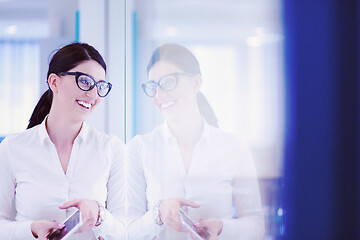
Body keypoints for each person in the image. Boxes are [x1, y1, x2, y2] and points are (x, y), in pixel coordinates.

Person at [127, 43, 265, 240]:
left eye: (168, 82)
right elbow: (128, 231)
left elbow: (256, 225)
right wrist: (158, 213)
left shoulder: (233, 147)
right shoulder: (139, 148)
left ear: (196, 83)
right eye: (153, 85)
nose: (159, 95)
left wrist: (221, 227)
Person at [0, 42, 126, 240]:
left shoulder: (112, 149)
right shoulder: (13, 148)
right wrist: (31, 230)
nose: (93, 94)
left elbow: (125, 232)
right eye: (85, 81)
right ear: (54, 82)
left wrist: (99, 214)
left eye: (100, 85)